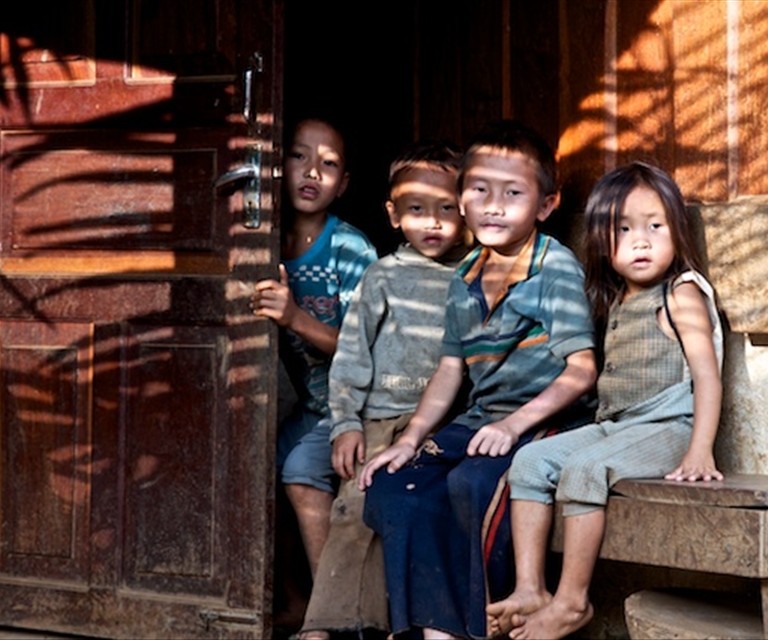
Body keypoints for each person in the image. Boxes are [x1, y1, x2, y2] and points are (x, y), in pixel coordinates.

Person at [359, 121, 598, 640]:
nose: (493, 206)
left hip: (548, 422)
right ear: (462, 198)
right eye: (480, 190)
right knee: (395, 488)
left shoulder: (552, 269)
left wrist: (513, 426)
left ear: (546, 205)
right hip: (482, 420)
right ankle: (435, 630)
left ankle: (488, 624)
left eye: (512, 194)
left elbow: (582, 369)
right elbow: (451, 368)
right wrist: (409, 438)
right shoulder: (465, 275)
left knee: (474, 484)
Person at [486, 161, 725, 640]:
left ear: (677, 230)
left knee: (585, 469)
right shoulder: (616, 299)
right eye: (623, 230)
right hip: (618, 427)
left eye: (655, 227)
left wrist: (700, 449)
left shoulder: (680, 293)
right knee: (528, 462)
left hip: (670, 430)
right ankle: (530, 589)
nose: (641, 242)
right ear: (601, 240)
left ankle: (572, 601)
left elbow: (708, 377)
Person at [298, 142, 470, 639]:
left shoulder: (473, 274)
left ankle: (405, 624)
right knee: (353, 511)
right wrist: (346, 424)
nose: (432, 222)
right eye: (416, 209)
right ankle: (322, 626)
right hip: (377, 421)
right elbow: (351, 354)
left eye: (446, 209)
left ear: (465, 210)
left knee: (421, 516)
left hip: (441, 424)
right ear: (393, 215)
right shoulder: (383, 276)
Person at [251, 116, 377, 587]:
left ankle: (332, 609)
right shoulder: (260, 243)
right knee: (254, 466)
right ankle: (287, 600)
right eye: (299, 156)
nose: (312, 172)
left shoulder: (349, 249)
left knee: (301, 472)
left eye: (329, 164)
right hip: (310, 407)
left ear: (343, 184)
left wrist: (294, 318)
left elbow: (367, 348)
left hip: (352, 406)